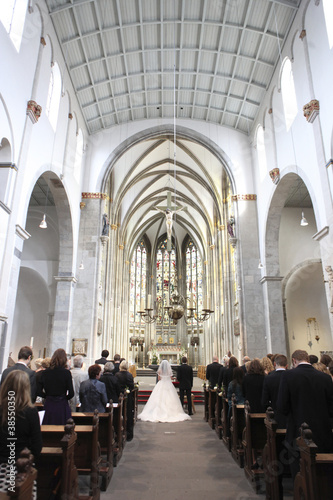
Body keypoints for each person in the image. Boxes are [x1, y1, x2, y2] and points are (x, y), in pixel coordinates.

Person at [277, 349, 333, 479]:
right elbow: (331, 408)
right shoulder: (325, 378)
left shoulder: (288, 376)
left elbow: (282, 406)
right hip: (322, 433)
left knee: (300, 472)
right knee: (322, 474)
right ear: (308, 360)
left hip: (298, 431)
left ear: (294, 361)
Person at [0, 370, 42, 464]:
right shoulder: (30, 412)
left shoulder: (2, 409)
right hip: (21, 464)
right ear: (26, 388)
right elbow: (37, 447)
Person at [37, 348, 74, 424]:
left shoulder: (45, 373)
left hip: (49, 404)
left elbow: (38, 391)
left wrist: (47, 396)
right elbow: (71, 393)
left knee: (48, 426)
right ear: (65, 359)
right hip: (62, 405)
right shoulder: (66, 373)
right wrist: (63, 398)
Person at [261, 354, 288, 428]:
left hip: (275, 414)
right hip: (290, 416)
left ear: (275, 364)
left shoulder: (269, 378)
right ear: (287, 365)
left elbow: (264, 401)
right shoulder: (292, 376)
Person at [116, 360, 135, 440]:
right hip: (128, 397)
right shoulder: (129, 375)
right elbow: (131, 387)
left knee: (119, 413)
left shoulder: (116, 375)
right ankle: (129, 434)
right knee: (128, 414)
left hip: (118, 397)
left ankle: (118, 432)